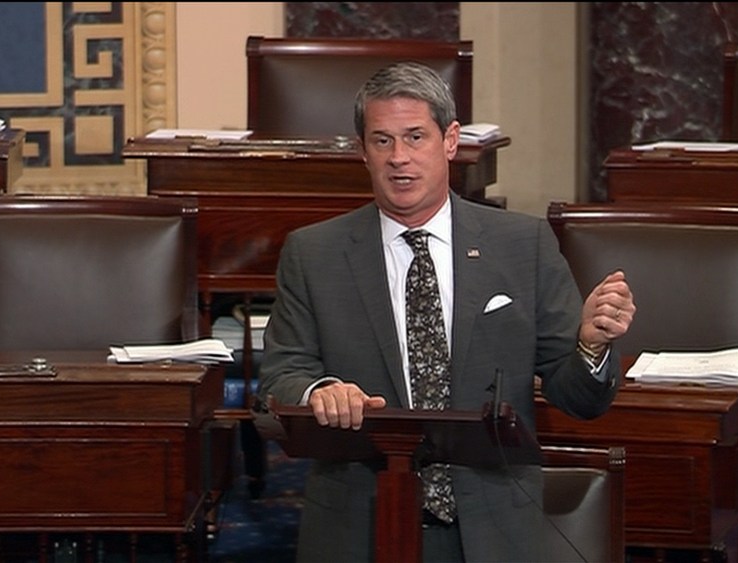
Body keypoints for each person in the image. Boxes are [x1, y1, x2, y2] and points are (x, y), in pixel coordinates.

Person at [257, 61, 636, 563]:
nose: (399, 157)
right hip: (359, 526)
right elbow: (279, 379)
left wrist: (590, 346)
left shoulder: (521, 245)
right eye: (383, 141)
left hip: (493, 531)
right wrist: (318, 392)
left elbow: (578, 399)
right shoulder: (314, 253)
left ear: (450, 141)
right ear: (362, 151)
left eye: (415, 137)